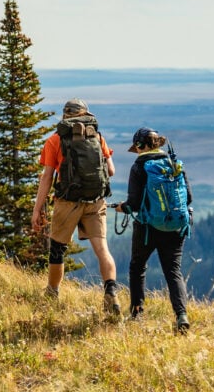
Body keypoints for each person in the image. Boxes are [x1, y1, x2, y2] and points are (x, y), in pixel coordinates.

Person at [31, 98, 120, 314]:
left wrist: (37, 208)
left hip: (67, 202)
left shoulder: (55, 140)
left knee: (57, 249)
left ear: (65, 115)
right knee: (102, 249)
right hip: (95, 200)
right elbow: (110, 171)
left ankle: (52, 293)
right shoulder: (97, 137)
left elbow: (47, 178)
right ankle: (111, 292)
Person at [116, 127, 192, 332]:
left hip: (147, 228)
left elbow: (134, 204)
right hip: (175, 226)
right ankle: (181, 315)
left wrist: (122, 207)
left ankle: (137, 312)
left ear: (140, 145)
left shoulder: (139, 167)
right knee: (173, 271)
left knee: (137, 267)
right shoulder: (173, 163)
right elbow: (189, 198)